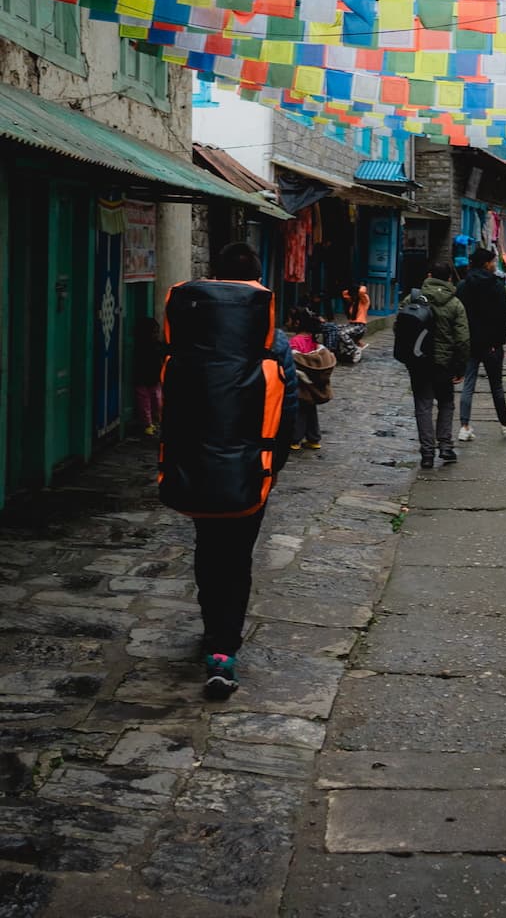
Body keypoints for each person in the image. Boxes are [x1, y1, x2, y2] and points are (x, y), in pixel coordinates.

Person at [159, 242, 297, 701]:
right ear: (258, 283)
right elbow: (288, 408)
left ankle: (210, 628)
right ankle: (223, 649)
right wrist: (273, 465)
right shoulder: (271, 340)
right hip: (250, 467)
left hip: (196, 462)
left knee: (207, 546)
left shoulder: (187, 340)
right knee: (237, 557)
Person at [400, 261, 469, 469]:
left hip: (419, 363)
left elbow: (400, 329)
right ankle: (446, 446)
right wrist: (460, 367)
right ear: (449, 278)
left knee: (423, 406)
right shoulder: (455, 304)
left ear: (429, 275)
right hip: (444, 364)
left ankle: (427, 453)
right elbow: (463, 339)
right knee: (446, 403)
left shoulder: (412, 298)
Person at [456, 247, 506, 442]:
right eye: (493, 262)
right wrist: (498, 342)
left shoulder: (462, 286)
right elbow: (503, 316)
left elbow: (459, 316)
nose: (495, 265)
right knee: (496, 386)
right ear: (486, 264)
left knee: (468, 384)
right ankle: (505, 423)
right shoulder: (496, 286)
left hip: (469, 342)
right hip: (491, 345)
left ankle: (464, 426)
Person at [287, 308, 334, 451]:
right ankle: (314, 439)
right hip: (314, 383)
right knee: (311, 411)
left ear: (297, 323)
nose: (286, 322)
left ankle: (295, 440)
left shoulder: (295, 341)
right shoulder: (314, 341)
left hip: (300, 383)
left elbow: (293, 360)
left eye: (289, 319)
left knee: (299, 411)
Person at [133, 316, 163, 436]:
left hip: (152, 379)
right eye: (154, 332)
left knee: (155, 402)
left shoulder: (156, 345)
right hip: (145, 379)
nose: (156, 335)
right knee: (146, 403)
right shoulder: (147, 346)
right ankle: (148, 424)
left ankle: (153, 422)